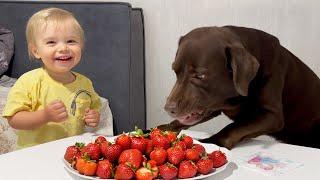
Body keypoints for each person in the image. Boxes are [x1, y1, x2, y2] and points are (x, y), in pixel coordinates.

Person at [2, 7, 101, 149]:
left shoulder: (85, 83)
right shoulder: (29, 81)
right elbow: (14, 119)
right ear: (36, 51)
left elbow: (94, 107)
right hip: (35, 154)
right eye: (51, 42)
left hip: (71, 152)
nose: (63, 48)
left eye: (71, 41)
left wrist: (93, 116)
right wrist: (44, 116)